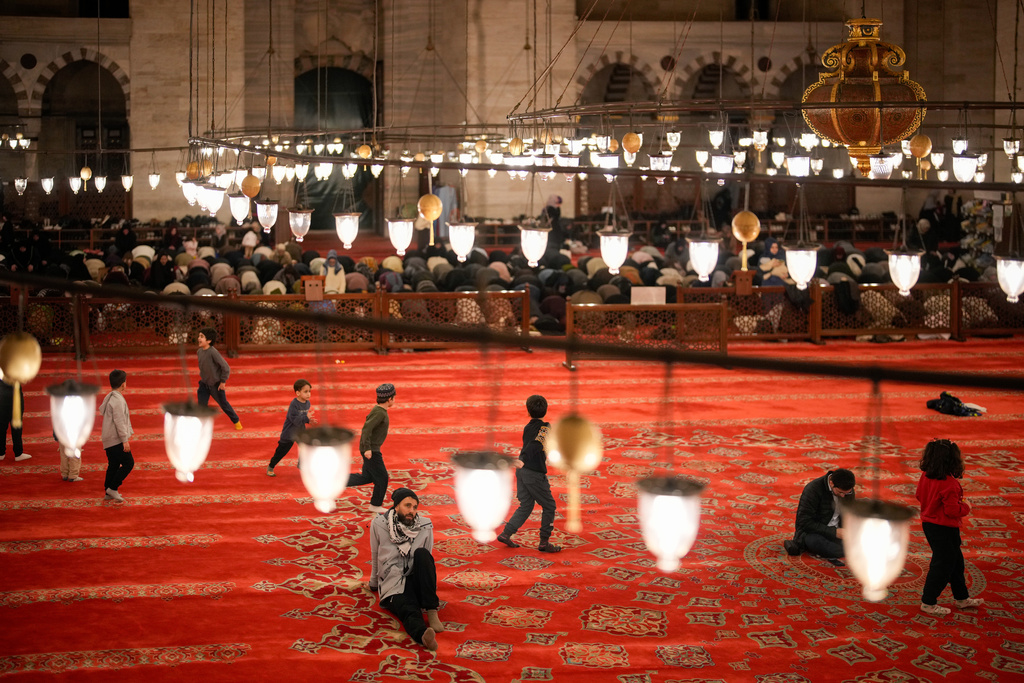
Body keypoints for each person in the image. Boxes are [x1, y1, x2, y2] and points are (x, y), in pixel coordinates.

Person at [369, 487, 443, 651]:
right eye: (407, 506)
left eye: (415, 507)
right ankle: (423, 635)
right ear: (396, 506)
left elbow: (428, 560)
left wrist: (427, 584)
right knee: (407, 608)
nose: (412, 511)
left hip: (416, 577)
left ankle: (431, 610)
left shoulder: (425, 525)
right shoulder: (379, 524)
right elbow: (375, 554)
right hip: (393, 579)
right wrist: (374, 583)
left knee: (422, 554)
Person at [917, 439, 984, 615]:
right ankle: (928, 602)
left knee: (956, 562)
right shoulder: (950, 484)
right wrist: (966, 506)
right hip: (944, 528)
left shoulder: (925, 475)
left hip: (929, 524)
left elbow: (919, 495)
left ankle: (961, 598)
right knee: (942, 565)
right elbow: (953, 511)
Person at [497, 395, 561, 553]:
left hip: (522, 471)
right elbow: (536, 444)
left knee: (526, 505)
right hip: (533, 473)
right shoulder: (545, 428)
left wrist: (521, 460)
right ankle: (544, 542)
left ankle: (506, 534)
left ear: (527, 411)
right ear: (546, 409)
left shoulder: (527, 427)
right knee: (549, 506)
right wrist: (524, 459)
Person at [784, 468, 856, 565]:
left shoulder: (847, 491)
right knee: (815, 542)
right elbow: (804, 522)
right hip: (815, 532)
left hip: (838, 531)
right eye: (840, 492)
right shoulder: (813, 489)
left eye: (847, 493)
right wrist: (834, 532)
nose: (843, 496)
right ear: (831, 483)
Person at [347, 383, 395, 513]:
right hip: (371, 450)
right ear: (390, 399)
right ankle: (375, 504)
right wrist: (367, 448)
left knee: (367, 477)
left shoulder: (380, 411)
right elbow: (366, 429)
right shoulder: (379, 413)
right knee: (383, 477)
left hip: (371, 449)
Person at [196, 327, 242, 429]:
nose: (199, 338)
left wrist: (223, 381)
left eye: (202, 337)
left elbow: (225, 367)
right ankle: (202, 425)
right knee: (201, 406)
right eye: (199, 336)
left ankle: (236, 421)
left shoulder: (213, 352)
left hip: (215, 385)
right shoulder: (199, 352)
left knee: (224, 405)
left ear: (209, 340)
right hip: (204, 384)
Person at [266, 379, 313, 476]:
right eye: (305, 391)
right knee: (282, 451)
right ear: (298, 393)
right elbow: (295, 420)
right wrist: (306, 417)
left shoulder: (307, 403)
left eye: (309, 391)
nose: (308, 394)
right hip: (289, 432)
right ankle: (271, 466)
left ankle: (302, 464)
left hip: (300, 431)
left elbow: (302, 419)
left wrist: (309, 420)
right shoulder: (294, 404)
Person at [99, 369, 133, 502]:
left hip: (108, 438)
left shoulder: (111, 396)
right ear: (123, 384)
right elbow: (119, 422)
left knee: (113, 464)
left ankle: (108, 492)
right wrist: (125, 440)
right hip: (115, 439)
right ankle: (113, 488)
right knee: (129, 463)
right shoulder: (118, 401)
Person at [0, 373, 32, 463]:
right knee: (16, 425)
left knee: (1, 425)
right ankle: (18, 453)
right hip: (14, 395)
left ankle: (1, 452)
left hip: (1, 394)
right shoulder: (15, 362)